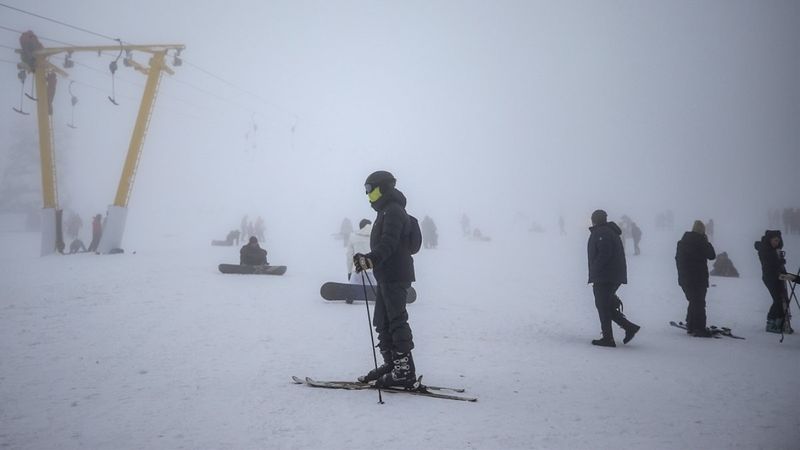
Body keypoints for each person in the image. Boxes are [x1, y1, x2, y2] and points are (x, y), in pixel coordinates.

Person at [353, 170, 417, 388]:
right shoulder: (385, 212)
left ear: (383, 188)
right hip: (386, 276)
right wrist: (367, 260)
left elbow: (388, 243)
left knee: (396, 320)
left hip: (396, 275)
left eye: (369, 189)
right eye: (366, 191)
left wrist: (370, 259)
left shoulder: (394, 211)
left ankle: (404, 370)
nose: (367, 194)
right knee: (382, 321)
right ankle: (392, 364)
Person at [587, 209, 640, 347]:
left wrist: (595, 268)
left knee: (602, 305)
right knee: (606, 305)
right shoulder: (607, 231)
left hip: (605, 276)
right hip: (610, 275)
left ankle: (608, 338)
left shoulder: (602, 232)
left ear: (595, 219)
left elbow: (605, 253)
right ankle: (629, 328)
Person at [675, 221, 716, 337]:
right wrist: (706, 241)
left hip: (685, 278)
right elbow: (712, 255)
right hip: (698, 278)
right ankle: (698, 327)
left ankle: (691, 324)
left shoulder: (683, 242)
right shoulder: (701, 242)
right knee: (699, 302)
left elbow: (678, 260)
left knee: (694, 301)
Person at [755, 230, 795, 333]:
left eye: (778, 240)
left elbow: (777, 264)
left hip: (778, 277)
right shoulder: (765, 250)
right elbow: (769, 264)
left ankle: (780, 323)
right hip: (770, 278)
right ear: (770, 240)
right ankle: (771, 323)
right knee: (778, 300)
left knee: (783, 299)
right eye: (774, 240)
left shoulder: (775, 250)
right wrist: (779, 261)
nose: (776, 242)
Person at [346, 219, 374, 284]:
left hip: (356, 272)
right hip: (372, 273)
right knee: (373, 293)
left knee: (354, 292)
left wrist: (349, 272)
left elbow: (349, 257)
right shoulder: (376, 237)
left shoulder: (353, 237)